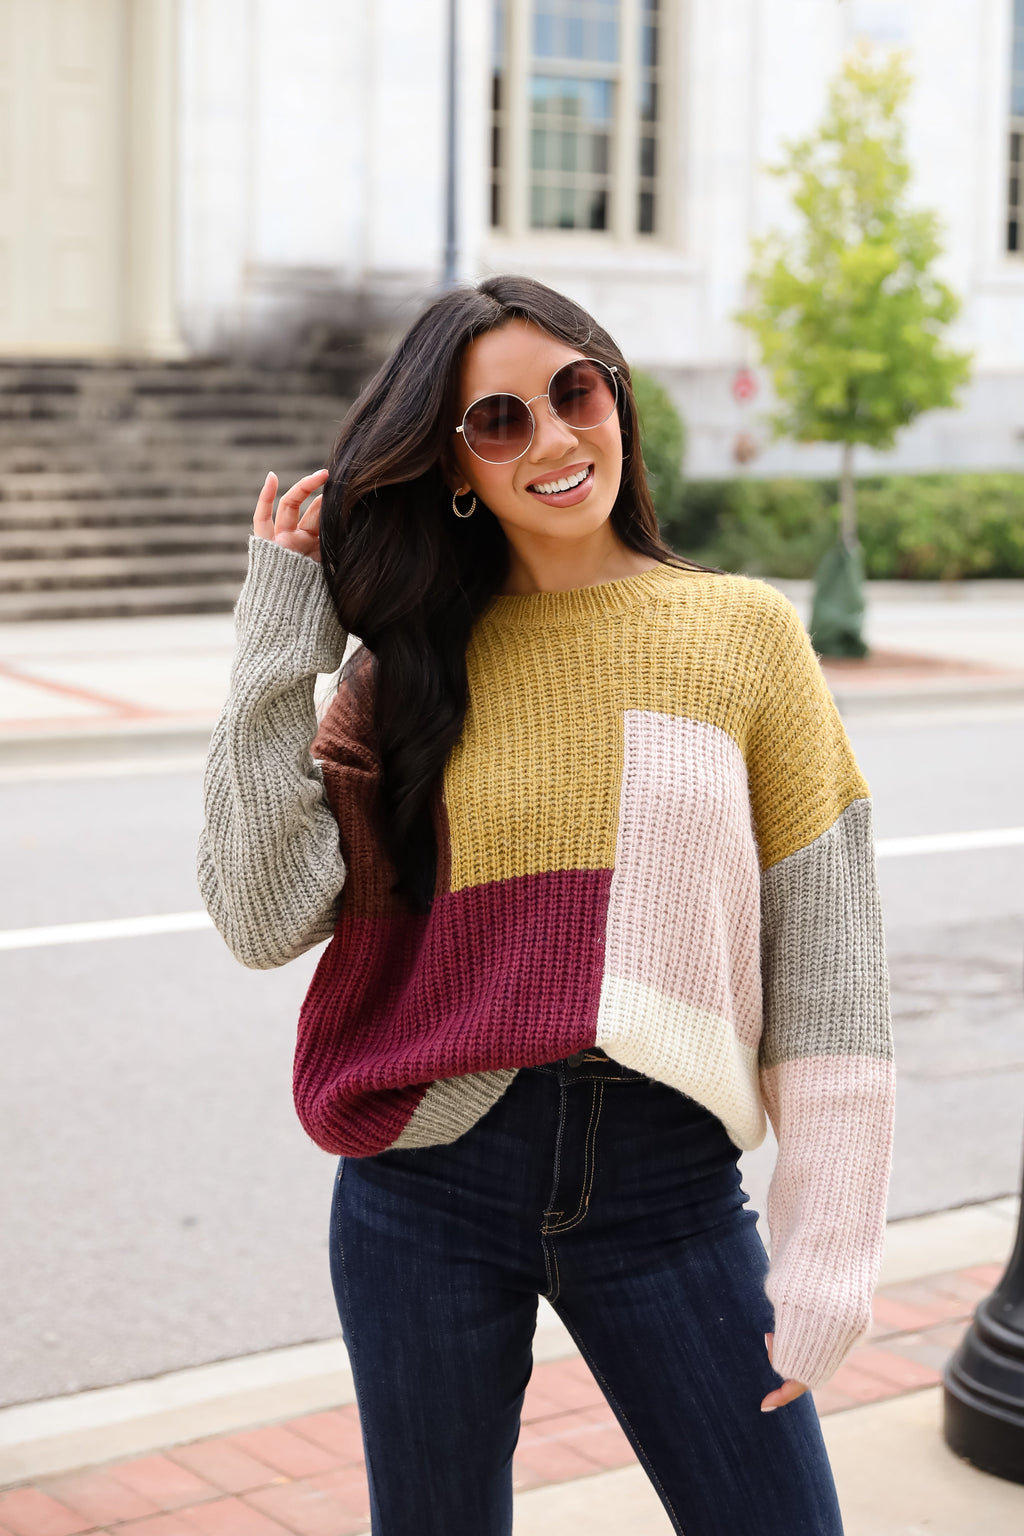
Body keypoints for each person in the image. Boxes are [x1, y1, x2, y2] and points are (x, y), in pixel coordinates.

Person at [198, 274, 894, 1535]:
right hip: (427, 1184)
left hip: (667, 1187)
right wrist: (275, 637)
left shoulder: (740, 633)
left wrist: (828, 1246)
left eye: (573, 393)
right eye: (500, 419)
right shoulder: (408, 663)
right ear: (457, 466)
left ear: (615, 396)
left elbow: (829, 955)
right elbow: (260, 912)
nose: (555, 439)